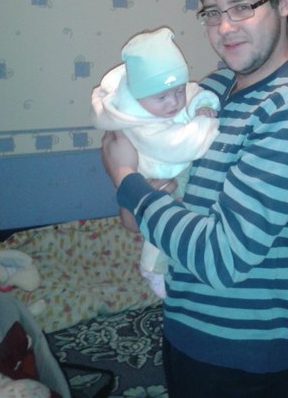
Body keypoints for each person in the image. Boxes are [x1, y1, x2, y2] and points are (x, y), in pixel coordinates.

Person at [101, 0, 288, 398]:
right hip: (186, 331)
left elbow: (221, 258)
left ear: (284, 1)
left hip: (243, 361)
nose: (224, 27)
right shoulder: (216, 90)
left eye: (242, 7)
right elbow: (144, 203)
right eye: (212, 12)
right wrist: (139, 192)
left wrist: (124, 179)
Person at [91, 26, 220, 297]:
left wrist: (202, 106)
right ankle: (153, 268)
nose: (173, 103)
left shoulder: (187, 94)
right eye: (162, 97)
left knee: (167, 224)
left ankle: (157, 269)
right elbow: (177, 146)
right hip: (157, 179)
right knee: (159, 232)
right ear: (138, 97)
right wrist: (205, 125)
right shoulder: (136, 122)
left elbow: (196, 93)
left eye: (178, 92)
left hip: (171, 190)